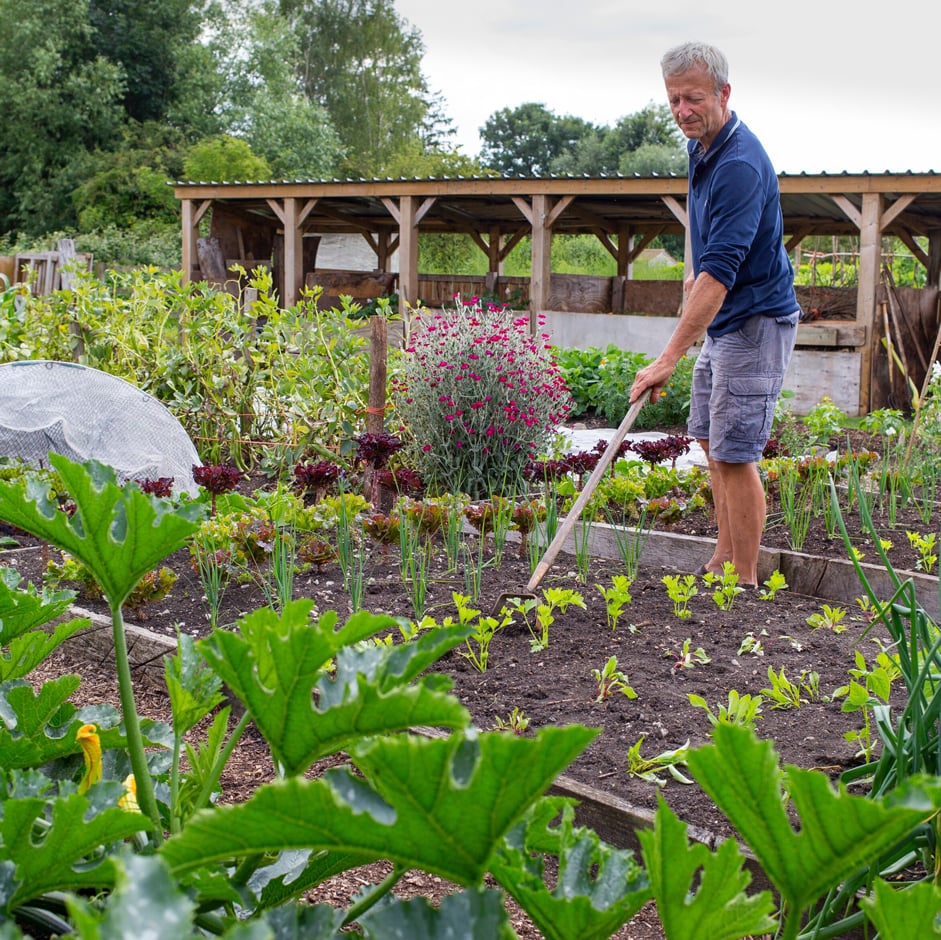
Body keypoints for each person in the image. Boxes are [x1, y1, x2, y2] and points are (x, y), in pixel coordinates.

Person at [629, 41, 801, 589]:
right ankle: (722, 557)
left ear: (724, 93)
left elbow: (721, 273)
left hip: (755, 320)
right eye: (674, 99)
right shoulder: (700, 148)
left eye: (694, 98)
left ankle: (744, 580)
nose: (683, 110)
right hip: (725, 320)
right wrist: (692, 284)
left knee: (736, 450)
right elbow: (707, 255)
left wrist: (667, 358)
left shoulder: (740, 164)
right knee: (709, 437)